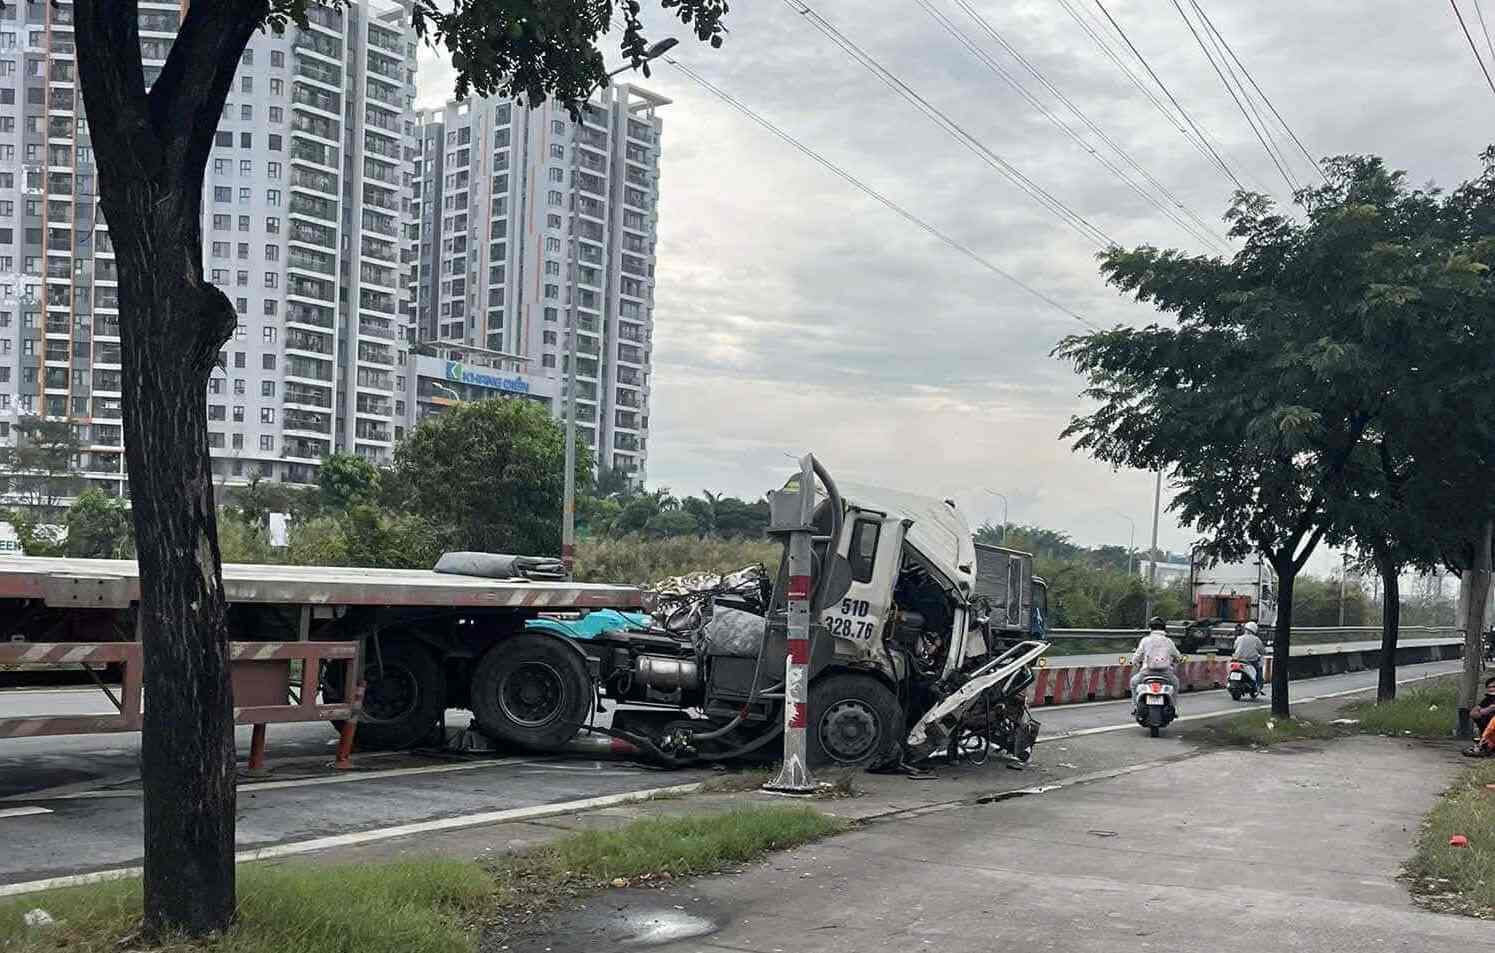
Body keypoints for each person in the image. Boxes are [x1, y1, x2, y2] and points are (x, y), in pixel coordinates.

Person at [1130, 616, 1183, 702]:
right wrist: (1178, 660)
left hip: (1147, 672)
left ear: (1150, 628)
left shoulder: (1145, 640)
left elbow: (1137, 655)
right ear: (1164, 628)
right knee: (1176, 684)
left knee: (1133, 683)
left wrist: (1134, 662)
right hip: (1165, 673)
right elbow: (1178, 656)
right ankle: (1173, 708)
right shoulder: (1168, 641)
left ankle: (1136, 706)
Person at [1463, 676, 1495, 757]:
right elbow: (1473, 713)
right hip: (1489, 731)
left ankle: (1485, 743)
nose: (1491, 689)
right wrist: (1486, 710)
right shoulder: (1487, 699)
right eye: (1489, 687)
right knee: (1481, 717)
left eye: (1494, 687)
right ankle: (1485, 743)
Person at [1232, 620, 1266, 695]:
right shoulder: (1256, 639)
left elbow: (1234, 647)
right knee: (1259, 670)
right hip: (1250, 661)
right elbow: (1262, 651)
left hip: (1237, 660)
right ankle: (1258, 685)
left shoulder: (1239, 638)